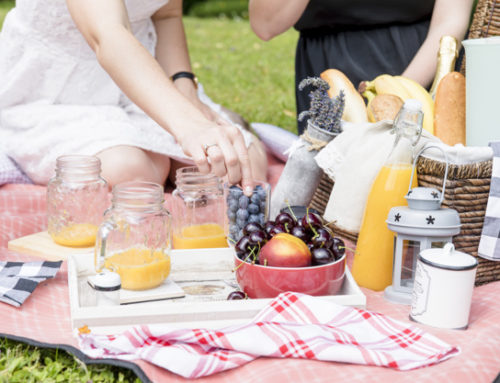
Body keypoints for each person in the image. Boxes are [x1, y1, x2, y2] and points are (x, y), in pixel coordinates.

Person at [0, 0, 267, 192]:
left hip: (146, 74)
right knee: (131, 172)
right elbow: (107, 34)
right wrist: (190, 126)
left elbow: (167, 15)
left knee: (242, 167)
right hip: (55, 88)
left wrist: (185, 90)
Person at [249, 0, 474, 134]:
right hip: (332, 72)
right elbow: (265, 24)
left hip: (423, 65)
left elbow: (451, 21)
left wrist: (395, 93)